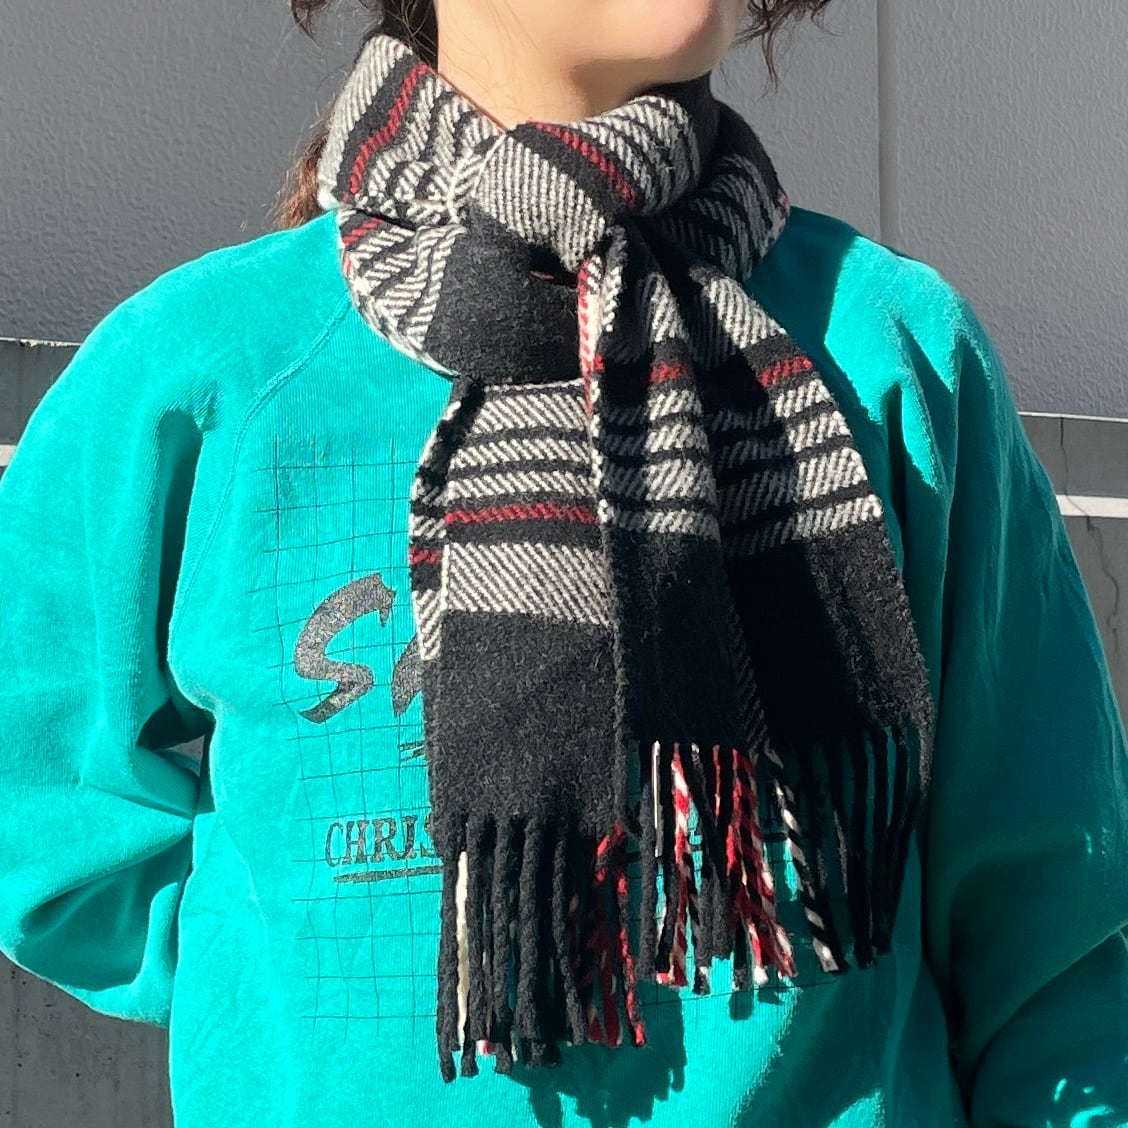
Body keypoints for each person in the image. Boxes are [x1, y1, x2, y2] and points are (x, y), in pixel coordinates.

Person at [1, 1, 1125, 1125]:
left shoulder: (889, 350)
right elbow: (42, 814)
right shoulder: (210, 368)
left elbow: (1060, 933)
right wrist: (265, 983)